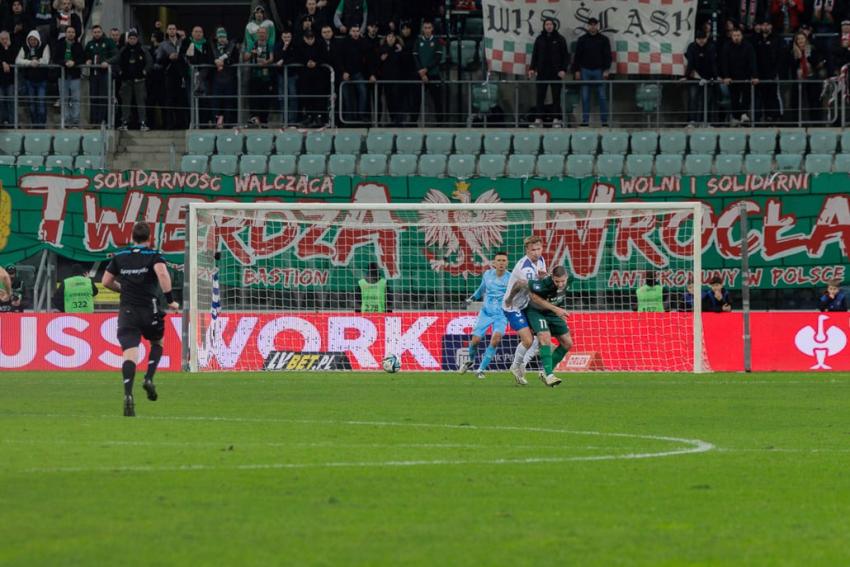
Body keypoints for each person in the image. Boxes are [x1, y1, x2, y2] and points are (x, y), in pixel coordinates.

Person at [101, 222, 179, 417]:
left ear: (132, 236)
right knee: (157, 342)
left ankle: (128, 394)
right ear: (149, 238)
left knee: (130, 353)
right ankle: (149, 378)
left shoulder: (119, 256)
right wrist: (170, 301)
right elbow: (162, 273)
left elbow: (105, 282)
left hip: (127, 311)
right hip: (149, 308)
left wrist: (122, 289)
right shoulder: (153, 255)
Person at [505, 265, 572, 388]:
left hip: (552, 313)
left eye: (563, 281)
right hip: (536, 312)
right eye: (557, 281)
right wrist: (509, 298)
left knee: (567, 343)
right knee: (544, 337)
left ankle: (544, 371)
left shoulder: (571, 279)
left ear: (567, 277)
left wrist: (556, 310)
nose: (560, 284)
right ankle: (549, 375)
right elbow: (533, 295)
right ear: (552, 278)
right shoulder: (543, 284)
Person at [502, 235, 547, 386]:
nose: (536, 252)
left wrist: (544, 278)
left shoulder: (541, 261)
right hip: (513, 306)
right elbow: (521, 285)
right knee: (528, 340)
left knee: (542, 335)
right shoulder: (524, 267)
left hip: (526, 303)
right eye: (533, 250)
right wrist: (509, 299)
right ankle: (516, 366)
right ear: (527, 250)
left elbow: (540, 283)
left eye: (538, 249)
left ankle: (522, 364)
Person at [459, 252, 510, 380]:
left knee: (496, 339)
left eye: (504, 260)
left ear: (507, 263)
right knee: (475, 341)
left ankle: (480, 369)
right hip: (486, 312)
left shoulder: (511, 278)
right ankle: (470, 361)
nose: (501, 263)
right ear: (494, 263)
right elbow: (481, 289)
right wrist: (471, 298)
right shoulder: (487, 274)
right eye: (498, 260)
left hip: (501, 314)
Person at [528, 17, 569, 128]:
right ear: (544, 26)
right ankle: (538, 120)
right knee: (540, 96)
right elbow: (535, 55)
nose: (549, 26)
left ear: (554, 26)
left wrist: (563, 70)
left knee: (556, 96)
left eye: (550, 24)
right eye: (547, 24)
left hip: (556, 73)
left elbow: (565, 56)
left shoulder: (560, 39)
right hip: (541, 72)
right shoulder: (539, 39)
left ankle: (556, 119)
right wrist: (532, 68)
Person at [572, 17, 612, 126]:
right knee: (585, 97)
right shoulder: (582, 39)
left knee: (602, 96)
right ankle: (585, 121)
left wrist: (606, 69)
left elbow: (608, 56)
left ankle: (604, 121)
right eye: (591, 25)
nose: (593, 27)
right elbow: (577, 57)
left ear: (598, 26)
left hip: (599, 70)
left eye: (595, 25)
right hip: (584, 70)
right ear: (588, 26)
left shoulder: (604, 39)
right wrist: (576, 70)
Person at [112, 29, 152, 131]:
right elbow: (116, 61)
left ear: (137, 39)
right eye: (130, 38)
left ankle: (143, 123)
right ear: (127, 39)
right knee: (125, 102)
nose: (132, 40)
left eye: (134, 38)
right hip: (126, 81)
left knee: (141, 102)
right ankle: (124, 122)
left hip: (140, 81)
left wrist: (145, 71)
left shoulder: (142, 49)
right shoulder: (123, 50)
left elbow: (149, 61)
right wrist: (120, 72)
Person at [719, 27, 758, 125]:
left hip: (745, 76)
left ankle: (744, 114)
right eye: (734, 36)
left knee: (746, 96)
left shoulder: (748, 46)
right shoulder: (727, 46)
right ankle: (736, 117)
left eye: (738, 35)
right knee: (734, 97)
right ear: (731, 36)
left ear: (742, 36)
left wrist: (754, 75)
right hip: (732, 77)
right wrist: (726, 76)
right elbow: (724, 63)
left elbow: (752, 62)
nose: (736, 37)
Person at [15, 29, 49, 128]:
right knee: (32, 104)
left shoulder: (44, 46)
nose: (33, 41)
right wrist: (30, 62)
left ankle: (42, 126)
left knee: (41, 104)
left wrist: (38, 61)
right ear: (28, 40)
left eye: (35, 40)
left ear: (38, 40)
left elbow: (46, 60)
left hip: (42, 80)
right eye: (31, 40)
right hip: (29, 80)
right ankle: (34, 125)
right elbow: (18, 60)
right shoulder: (25, 47)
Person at [156, 24, 188, 130]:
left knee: (181, 100)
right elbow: (159, 60)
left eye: (174, 29)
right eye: (170, 29)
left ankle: (182, 123)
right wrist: (168, 57)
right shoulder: (163, 45)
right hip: (169, 74)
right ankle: (170, 124)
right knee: (169, 100)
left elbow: (188, 56)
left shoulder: (182, 42)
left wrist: (180, 57)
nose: (172, 31)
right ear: (167, 31)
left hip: (181, 74)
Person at [787, 31, 824, 123]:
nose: (800, 41)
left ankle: (816, 122)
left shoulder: (812, 49)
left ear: (806, 40)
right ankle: (796, 122)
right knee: (795, 103)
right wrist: (798, 57)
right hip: (798, 80)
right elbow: (791, 66)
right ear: (795, 41)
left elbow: (816, 63)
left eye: (802, 38)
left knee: (814, 102)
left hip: (812, 78)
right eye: (798, 39)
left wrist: (808, 57)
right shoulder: (792, 52)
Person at [84, 24, 117, 126]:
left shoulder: (109, 42)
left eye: (98, 32)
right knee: (93, 97)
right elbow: (85, 55)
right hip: (93, 75)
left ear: (102, 32)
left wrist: (107, 62)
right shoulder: (89, 44)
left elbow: (116, 56)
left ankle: (103, 121)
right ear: (92, 33)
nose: (97, 34)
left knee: (103, 97)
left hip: (105, 74)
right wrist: (87, 60)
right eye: (95, 32)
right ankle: (94, 121)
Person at [683, 29, 717, 125]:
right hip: (694, 78)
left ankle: (705, 121)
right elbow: (691, 63)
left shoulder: (711, 47)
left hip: (708, 78)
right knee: (693, 99)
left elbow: (713, 63)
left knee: (706, 100)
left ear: (706, 38)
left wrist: (715, 76)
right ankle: (691, 121)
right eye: (699, 39)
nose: (701, 41)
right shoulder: (692, 47)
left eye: (703, 38)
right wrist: (686, 76)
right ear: (695, 39)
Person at [182, 26, 214, 126]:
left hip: (204, 78)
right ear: (192, 33)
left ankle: (203, 123)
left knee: (204, 100)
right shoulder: (186, 43)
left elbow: (210, 59)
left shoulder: (207, 44)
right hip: (190, 77)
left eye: (200, 31)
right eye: (196, 31)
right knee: (190, 99)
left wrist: (203, 72)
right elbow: (183, 58)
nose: (198, 33)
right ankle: (192, 122)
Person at [53, 24, 84, 127]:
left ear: (75, 34)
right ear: (65, 33)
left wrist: (74, 62)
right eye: (69, 32)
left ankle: (75, 121)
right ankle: (66, 121)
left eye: (73, 32)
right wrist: (65, 62)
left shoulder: (78, 45)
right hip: (63, 75)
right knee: (64, 98)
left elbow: (81, 58)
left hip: (75, 76)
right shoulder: (60, 44)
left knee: (76, 99)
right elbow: (56, 58)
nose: (71, 34)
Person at [243, 25, 274, 125]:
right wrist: (251, 53)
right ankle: (254, 119)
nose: (261, 35)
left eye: (263, 33)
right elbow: (245, 57)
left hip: (266, 77)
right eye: (260, 33)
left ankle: (264, 121)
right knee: (254, 98)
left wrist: (266, 62)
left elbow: (272, 58)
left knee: (265, 100)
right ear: (257, 34)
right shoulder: (253, 44)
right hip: (254, 76)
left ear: (267, 34)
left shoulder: (270, 44)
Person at [413, 20, 443, 124]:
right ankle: (413, 123)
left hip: (433, 74)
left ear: (432, 29)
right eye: (425, 28)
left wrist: (426, 69)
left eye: (429, 28)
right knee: (416, 100)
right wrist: (421, 72)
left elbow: (437, 58)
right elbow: (415, 57)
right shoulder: (418, 40)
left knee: (437, 101)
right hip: (420, 75)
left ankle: (440, 123)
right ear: (422, 29)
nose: (427, 30)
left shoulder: (437, 41)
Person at [753, 19, 783, 122]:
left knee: (773, 95)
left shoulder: (777, 38)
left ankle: (776, 118)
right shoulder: (756, 38)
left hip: (772, 72)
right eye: (763, 24)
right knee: (762, 96)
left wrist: (775, 72)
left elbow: (779, 57)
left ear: (771, 26)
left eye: (767, 25)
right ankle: (764, 118)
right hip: (759, 73)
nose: (765, 27)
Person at [339, 24, 369, 123]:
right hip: (346, 73)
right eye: (353, 31)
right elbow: (340, 59)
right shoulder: (344, 43)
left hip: (358, 73)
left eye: (357, 31)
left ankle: (361, 115)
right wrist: (343, 71)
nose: (356, 33)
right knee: (347, 96)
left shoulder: (363, 42)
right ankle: (348, 117)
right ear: (350, 32)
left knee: (363, 93)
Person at [210, 27, 239, 128]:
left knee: (229, 101)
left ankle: (228, 123)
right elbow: (208, 59)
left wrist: (225, 62)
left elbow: (236, 59)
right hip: (216, 79)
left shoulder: (232, 47)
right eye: (220, 37)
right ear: (217, 38)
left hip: (229, 79)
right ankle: (217, 122)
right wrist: (215, 62)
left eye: (223, 37)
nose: (222, 39)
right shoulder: (212, 47)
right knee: (216, 101)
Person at [297, 29, 325, 127]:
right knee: (306, 96)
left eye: (311, 38)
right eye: (307, 38)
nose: (310, 40)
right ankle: (308, 116)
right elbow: (297, 57)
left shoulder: (320, 45)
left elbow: (324, 56)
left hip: (318, 75)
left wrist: (316, 63)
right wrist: (306, 62)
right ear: (304, 38)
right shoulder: (300, 46)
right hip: (305, 76)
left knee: (318, 96)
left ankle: (318, 117)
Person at [274, 28, 299, 125]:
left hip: (292, 75)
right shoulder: (278, 45)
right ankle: (285, 119)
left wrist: (284, 61)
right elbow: (277, 58)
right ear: (281, 37)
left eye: (288, 37)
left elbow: (295, 57)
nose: (287, 39)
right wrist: (284, 48)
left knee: (293, 97)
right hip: (281, 75)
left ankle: (292, 120)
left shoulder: (295, 46)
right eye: (285, 37)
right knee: (282, 98)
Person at [0, 31, 14, 126]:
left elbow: (13, 59)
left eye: (6, 39)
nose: (5, 41)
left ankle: (12, 122)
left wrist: (7, 49)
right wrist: (3, 63)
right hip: (0, 81)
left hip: (10, 80)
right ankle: (2, 121)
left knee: (11, 102)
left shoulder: (12, 48)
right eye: (2, 39)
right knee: (1, 102)